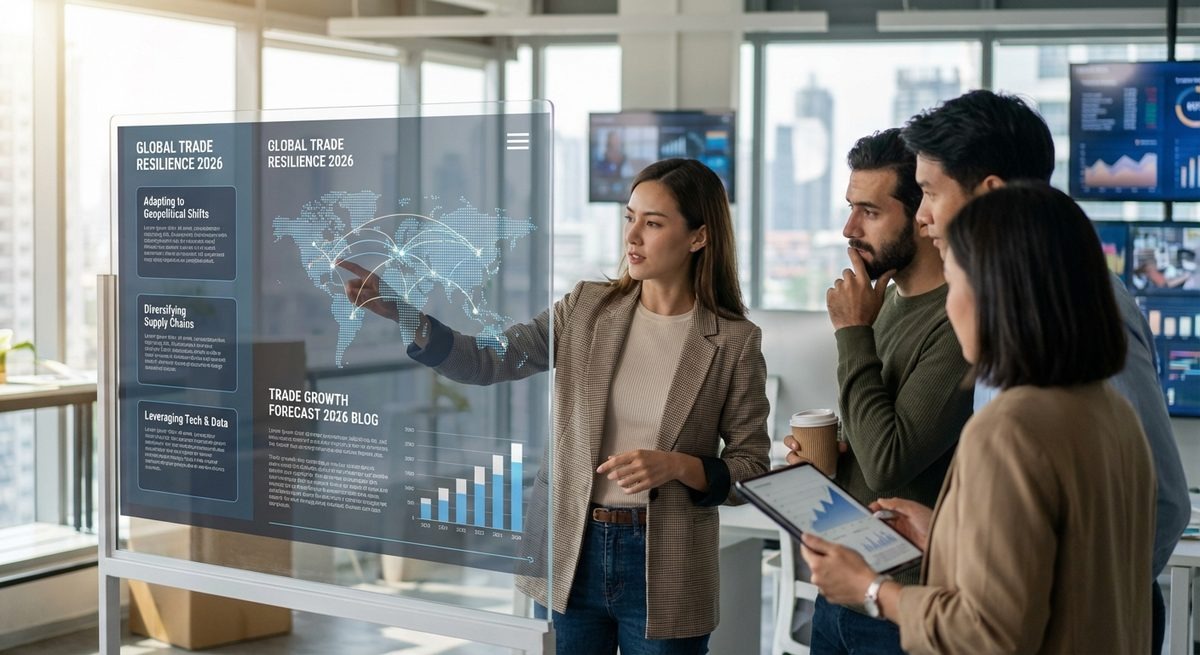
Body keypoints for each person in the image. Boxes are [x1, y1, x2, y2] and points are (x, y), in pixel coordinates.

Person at [338, 158, 770, 654]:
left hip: (667, 565)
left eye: (653, 223)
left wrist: (678, 466)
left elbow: (751, 469)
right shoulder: (587, 308)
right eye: (629, 218)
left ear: (699, 237)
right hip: (571, 551)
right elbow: (486, 361)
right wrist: (406, 314)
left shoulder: (733, 343)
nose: (633, 237)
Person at [800, 182, 1156, 654]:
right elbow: (1064, 567)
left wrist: (872, 590)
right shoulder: (1110, 410)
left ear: (998, 293)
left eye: (956, 279)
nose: (949, 303)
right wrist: (947, 538)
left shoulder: (1009, 429)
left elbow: (989, 632)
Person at [902, 89, 1189, 654]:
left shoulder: (1080, 306)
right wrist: (948, 532)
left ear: (989, 196)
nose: (921, 216)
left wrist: (1087, 607)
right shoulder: (1014, 319)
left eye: (932, 193)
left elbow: (1163, 500)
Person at [783, 128, 971, 654]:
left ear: (921, 213)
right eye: (850, 208)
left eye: (869, 211)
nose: (848, 228)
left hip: (903, 605)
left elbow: (889, 462)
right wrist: (831, 461)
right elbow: (871, 442)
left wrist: (851, 335)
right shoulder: (882, 304)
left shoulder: (959, 321)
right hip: (841, 591)